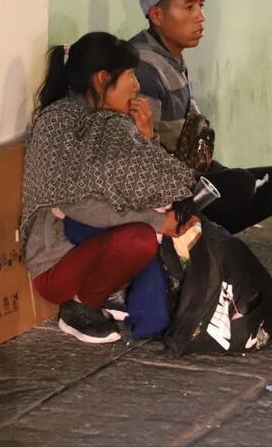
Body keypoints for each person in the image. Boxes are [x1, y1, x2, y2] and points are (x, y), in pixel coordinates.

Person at [20, 32, 200, 344]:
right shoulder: (59, 121)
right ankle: (80, 308)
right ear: (103, 78)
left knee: (164, 227)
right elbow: (76, 204)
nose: (136, 86)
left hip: (94, 246)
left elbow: (136, 180)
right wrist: (159, 222)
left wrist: (147, 138)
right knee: (141, 239)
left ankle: (122, 301)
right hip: (57, 265)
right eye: (130, 75)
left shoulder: (108, 121)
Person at [127, 0, 272, 234]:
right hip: (163, 191)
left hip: (186, 174)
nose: (200, 17)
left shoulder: (170, 56)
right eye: (189, 7)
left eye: (201, 6)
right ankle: (190, 236)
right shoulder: (144, 67)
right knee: (239, 185)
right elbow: (141, 159)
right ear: (157, 15)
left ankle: (208, 235)